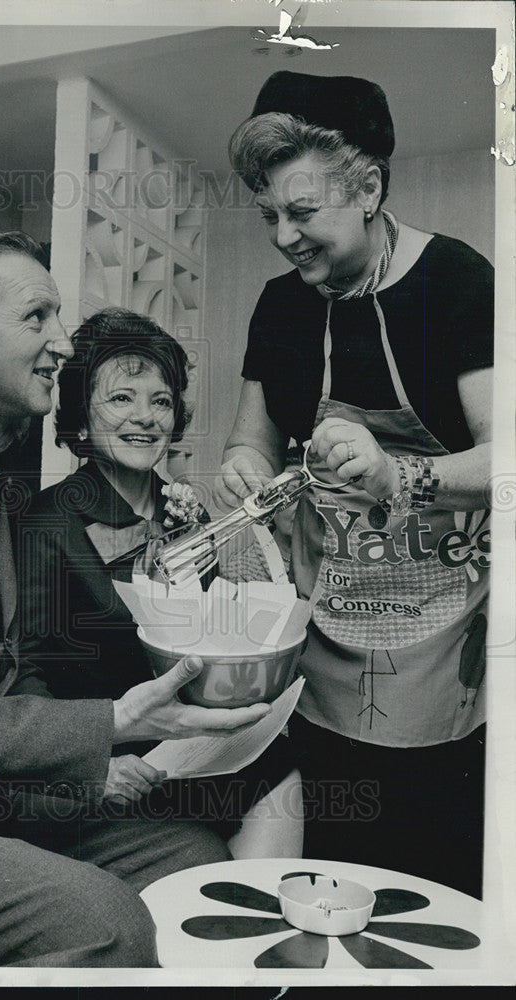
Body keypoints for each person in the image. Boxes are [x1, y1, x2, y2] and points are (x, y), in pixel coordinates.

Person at [0, 232, 274, 968]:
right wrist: (116, 722)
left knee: (193, 856)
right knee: (110, 922)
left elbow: (7, 673)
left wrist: (96, 764)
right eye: (39, 318)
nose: (62, 344)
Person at [216, 72, 492, 897]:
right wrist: (243, 472)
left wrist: (396, 472)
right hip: (322, 649)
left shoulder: (456, 282)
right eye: (269, 216)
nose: (283, 238)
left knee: (428, 893)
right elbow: (250, 441)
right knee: (326, 883)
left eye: (302, 214)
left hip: (442, 660)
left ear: (368, 187)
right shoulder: (281, 308)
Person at [16, 307, 303, 857]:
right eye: (122, 398)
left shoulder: (190, 514)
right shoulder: (46, 523)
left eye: (161, 401)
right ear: (79, 415)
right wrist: (91, 762)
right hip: (115, 761)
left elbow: (213, 639)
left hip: (198, 749)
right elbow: (23, 671)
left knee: (282, 769)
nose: (145, 417)